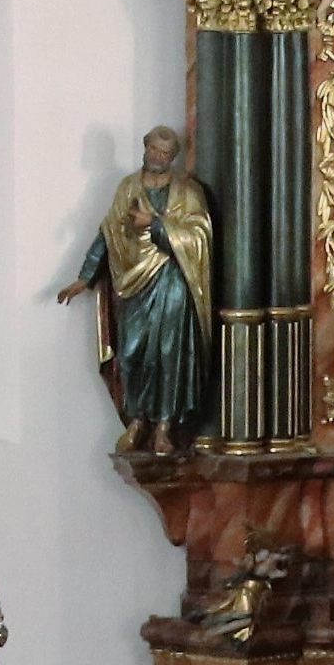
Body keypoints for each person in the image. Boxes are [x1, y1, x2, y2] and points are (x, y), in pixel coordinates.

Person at [56, 125, 215, 450]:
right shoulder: (127, 188)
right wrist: (85, 278)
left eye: (165, 153)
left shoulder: (187, 191)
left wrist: (155, 224)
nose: (158, 157)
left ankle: (164, 428)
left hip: (171, 283)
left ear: (173, 157)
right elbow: (109, 233)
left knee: (169, 355)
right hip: (132, 287)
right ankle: (137, 420)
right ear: (145, 148)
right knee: (132, 353)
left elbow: (199, 235)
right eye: (154, 150)